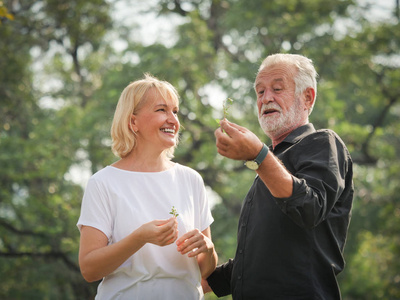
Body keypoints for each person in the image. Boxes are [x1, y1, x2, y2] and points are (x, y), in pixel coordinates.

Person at [205, 53, 354, 299]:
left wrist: (258, 155)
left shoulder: (323, 142)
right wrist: (190, 280)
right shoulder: (267, 164)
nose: (266, 98)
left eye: (277, 88)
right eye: (260, 92)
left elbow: (309, 207)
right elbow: (260, 262)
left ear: (307, 97)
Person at [77, 74, 217, 300]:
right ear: (133, 122)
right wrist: (139, 238)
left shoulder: (191, 179)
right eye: (162, 110)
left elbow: (204, 272)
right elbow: (89, 269)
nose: (173, 119)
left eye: (175, 111)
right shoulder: (103, 183)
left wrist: (208, 249)